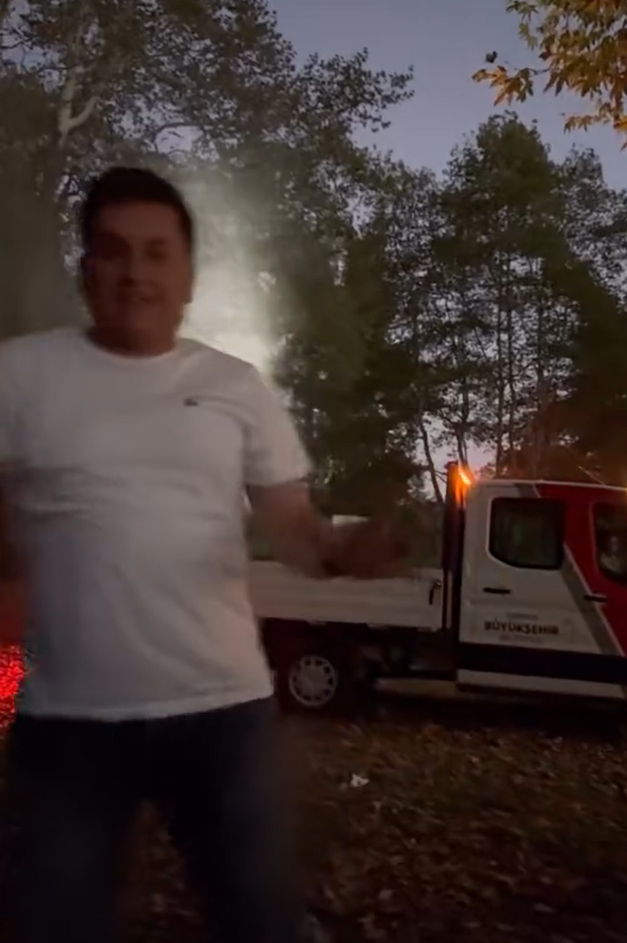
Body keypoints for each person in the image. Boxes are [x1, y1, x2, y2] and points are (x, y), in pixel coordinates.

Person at [0, 166, 410, 943]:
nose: (135, 273)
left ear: (188, 276)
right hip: (68, 722)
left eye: (157, 253)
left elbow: (294, 529)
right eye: (113, 251)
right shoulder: (19, 375)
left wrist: (343, 546)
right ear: (85, 269)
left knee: (259, 920)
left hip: (221, 715)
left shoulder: (235, 386)